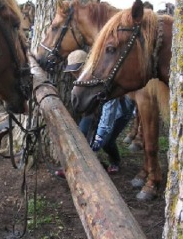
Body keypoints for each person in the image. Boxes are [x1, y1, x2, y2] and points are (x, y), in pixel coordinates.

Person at [55, 50, 136, 178]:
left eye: (77, 71)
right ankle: (73, 166)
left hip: (120, 112)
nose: (74, 75)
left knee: (107, 142)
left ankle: (115, 161)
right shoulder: (82, 80)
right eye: (72, 71)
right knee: (81, 134)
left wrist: (99, 136)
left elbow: (110, 110)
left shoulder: (104, 77)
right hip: (97, 110)